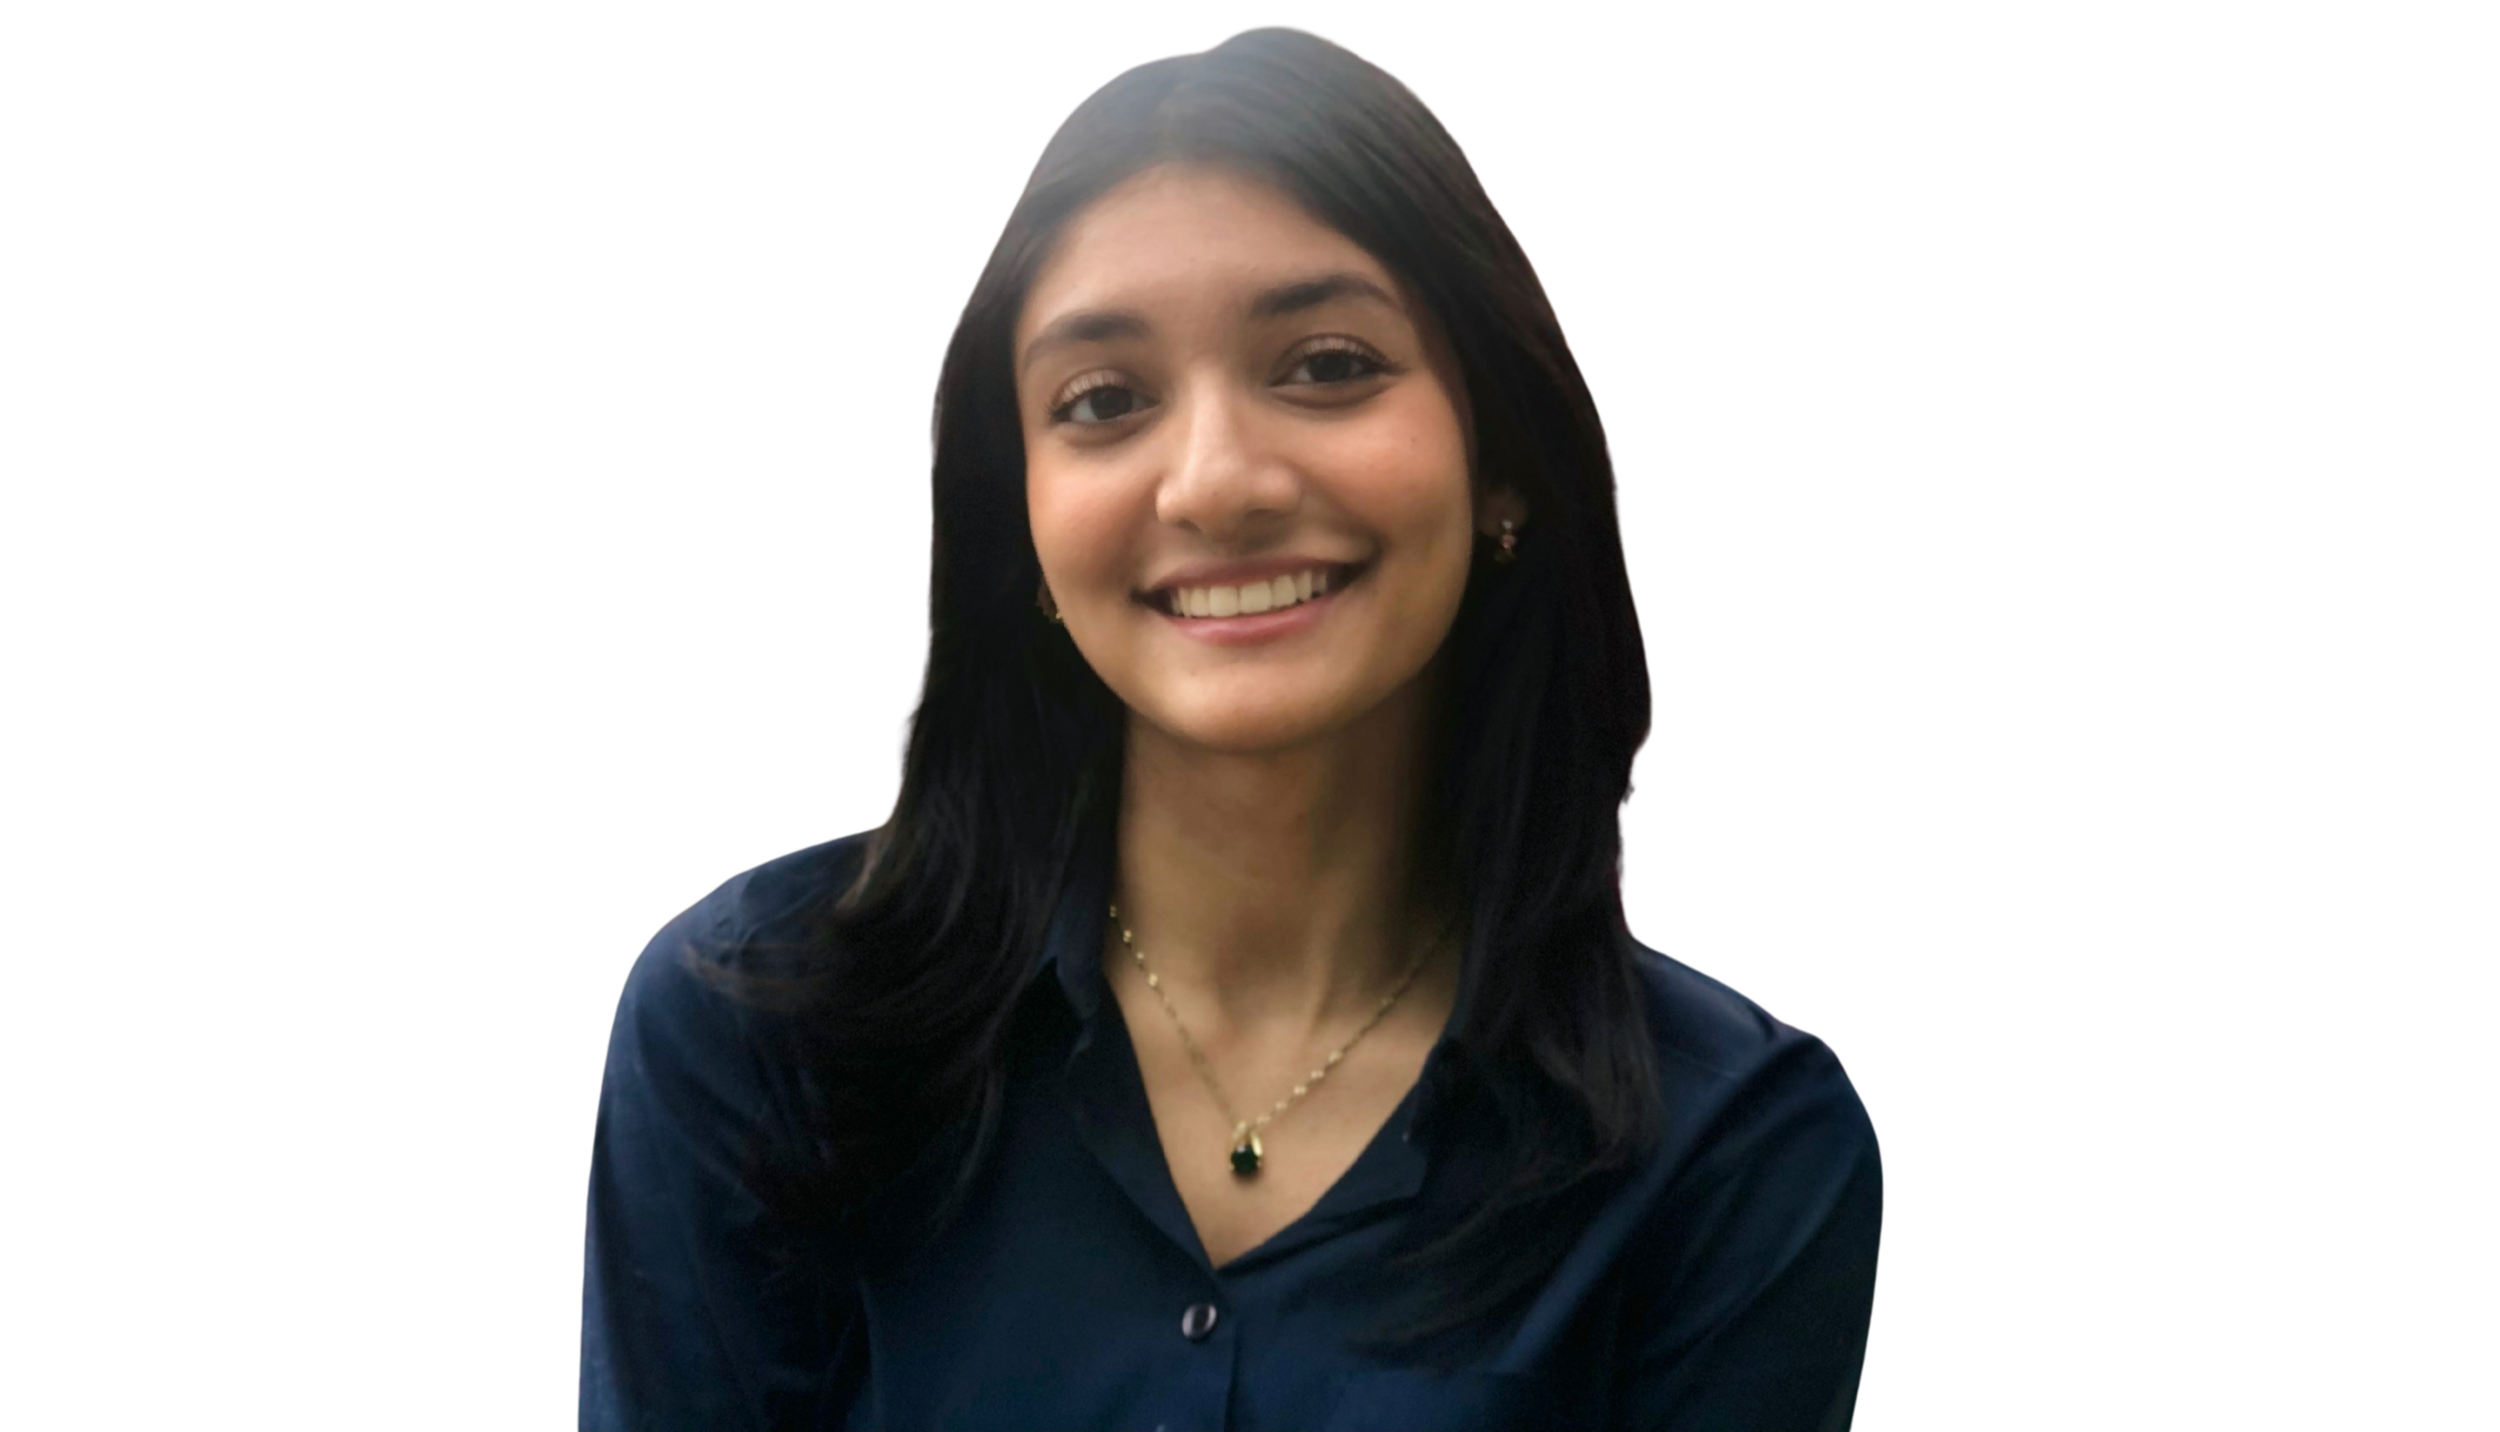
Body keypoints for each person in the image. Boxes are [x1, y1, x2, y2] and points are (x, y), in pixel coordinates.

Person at [579, 24, 1880, 1431]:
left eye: (1324, 364)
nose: (1213, 485)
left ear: (1501, 455)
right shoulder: (755, 1029)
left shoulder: (1736, 1151)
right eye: (1104, 401)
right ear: (1020, 521)